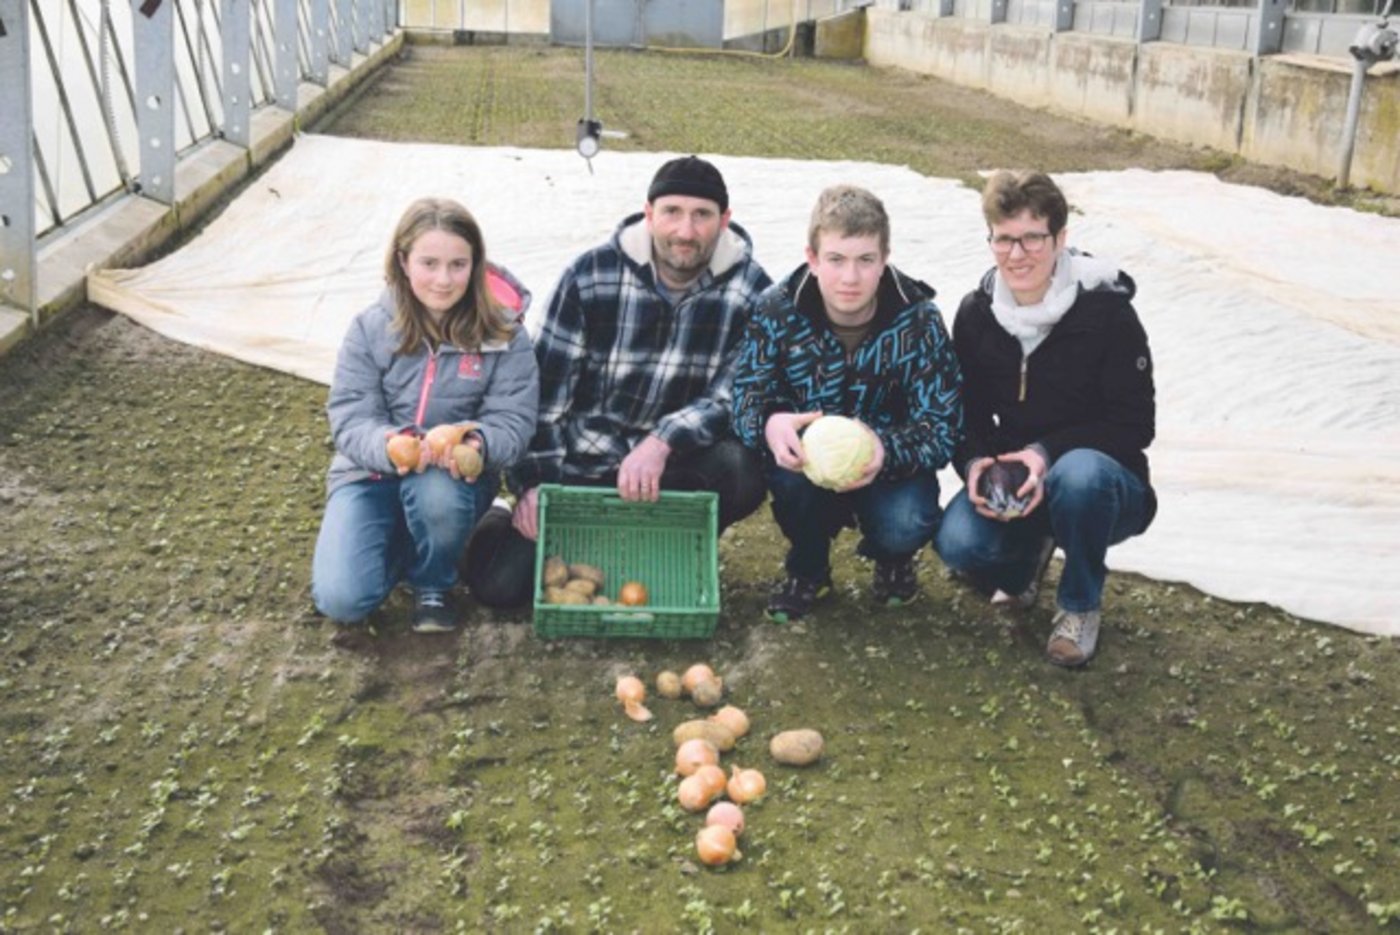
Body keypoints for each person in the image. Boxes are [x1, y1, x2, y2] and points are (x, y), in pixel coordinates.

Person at [463, 156, 772, 608]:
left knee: (742, 469)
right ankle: (498, 514)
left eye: (702, 215)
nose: (685, 230)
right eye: (672, 212)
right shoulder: (590, 275)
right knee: (501, 588)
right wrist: (536, 485)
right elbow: (545, 398)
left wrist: (662, 440)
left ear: (724, 221)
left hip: (672, 466)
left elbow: (735, 392)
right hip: (584, 464)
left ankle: (673, 539)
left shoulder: (752, 289)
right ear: (649, 214)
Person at [935, 170, 1156, 667]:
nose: (1017, 254)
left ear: (1060, 238)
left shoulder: (1108, 313)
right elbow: (965, 414)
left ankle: (1079, 605)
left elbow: (1135, 425)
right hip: (1019, 482)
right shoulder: (977, 314)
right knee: (958, 543)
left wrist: (1045, 453)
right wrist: (975, 464)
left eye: (1032, 238)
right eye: (1004, 239)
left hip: (1102, 483)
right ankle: (1024, 567)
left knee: (1079, 475)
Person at [731, 184, 963, 623]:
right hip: (808, 463)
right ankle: (809, 567)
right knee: (791, 487)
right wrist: (769, 422)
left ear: (885, 258)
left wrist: (885, 449)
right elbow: (745, 394)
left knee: (907, 520)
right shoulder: (777, 311)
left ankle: (892, 556)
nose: (850, 278)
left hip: (890, 465)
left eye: (865, 260)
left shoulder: (919, 319)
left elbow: (943, 424)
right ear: (813, 258)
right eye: (836, 259)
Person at [312, 197, 539, 635]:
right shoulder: (369, 328)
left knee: (436, 496)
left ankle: (433, 581)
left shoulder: (504, 334)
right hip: (369, 475)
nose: (443, 279)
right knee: (343, 599)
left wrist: (476, 443)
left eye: (458, 264)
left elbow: (514, 420)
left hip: (451, 481)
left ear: (475, 264)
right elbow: (350, 416)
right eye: (429, 263)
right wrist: (389, 445)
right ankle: (416, 540)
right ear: (403, 261)